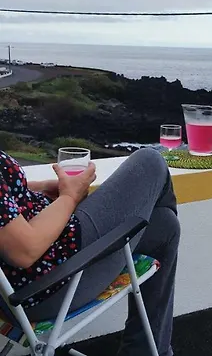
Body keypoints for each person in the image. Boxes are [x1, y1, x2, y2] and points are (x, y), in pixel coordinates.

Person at [0, 147, 179, 356]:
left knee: (163, 225)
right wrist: (70, 196)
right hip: (44, 285)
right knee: (150, 162)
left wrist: (34, 191)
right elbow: (24, 251)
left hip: (37, 274)